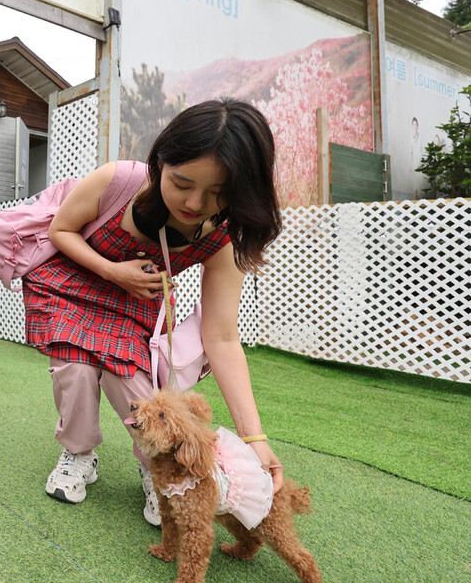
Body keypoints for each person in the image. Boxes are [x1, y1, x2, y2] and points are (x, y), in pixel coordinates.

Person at [22, 98, 284, 525]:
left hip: (134, 305)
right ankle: (78, 454)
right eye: (182, 182)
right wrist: (112, 270)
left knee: (134, 385)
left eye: (218, 193)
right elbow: (60, 230)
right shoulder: (119, 180)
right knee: (76, 369)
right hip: (75, 283)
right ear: (161, 161)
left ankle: (153, 468)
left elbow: (221, 337)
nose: (196, 203)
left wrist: (255, 438)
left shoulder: (223, 240)